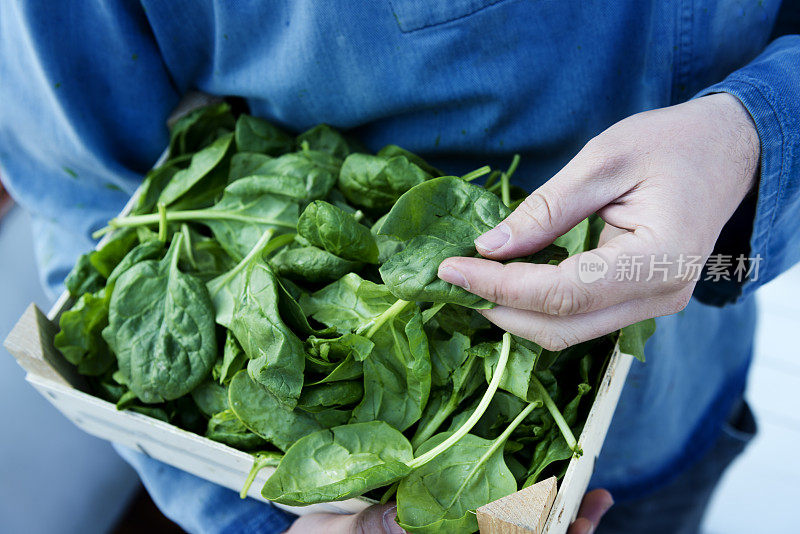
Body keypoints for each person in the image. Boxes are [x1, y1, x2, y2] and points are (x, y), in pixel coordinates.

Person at [1, 2, 797, 533]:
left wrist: (759, 133)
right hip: (370, 498)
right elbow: (82, 179)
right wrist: (270, 522)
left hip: (675, 398)